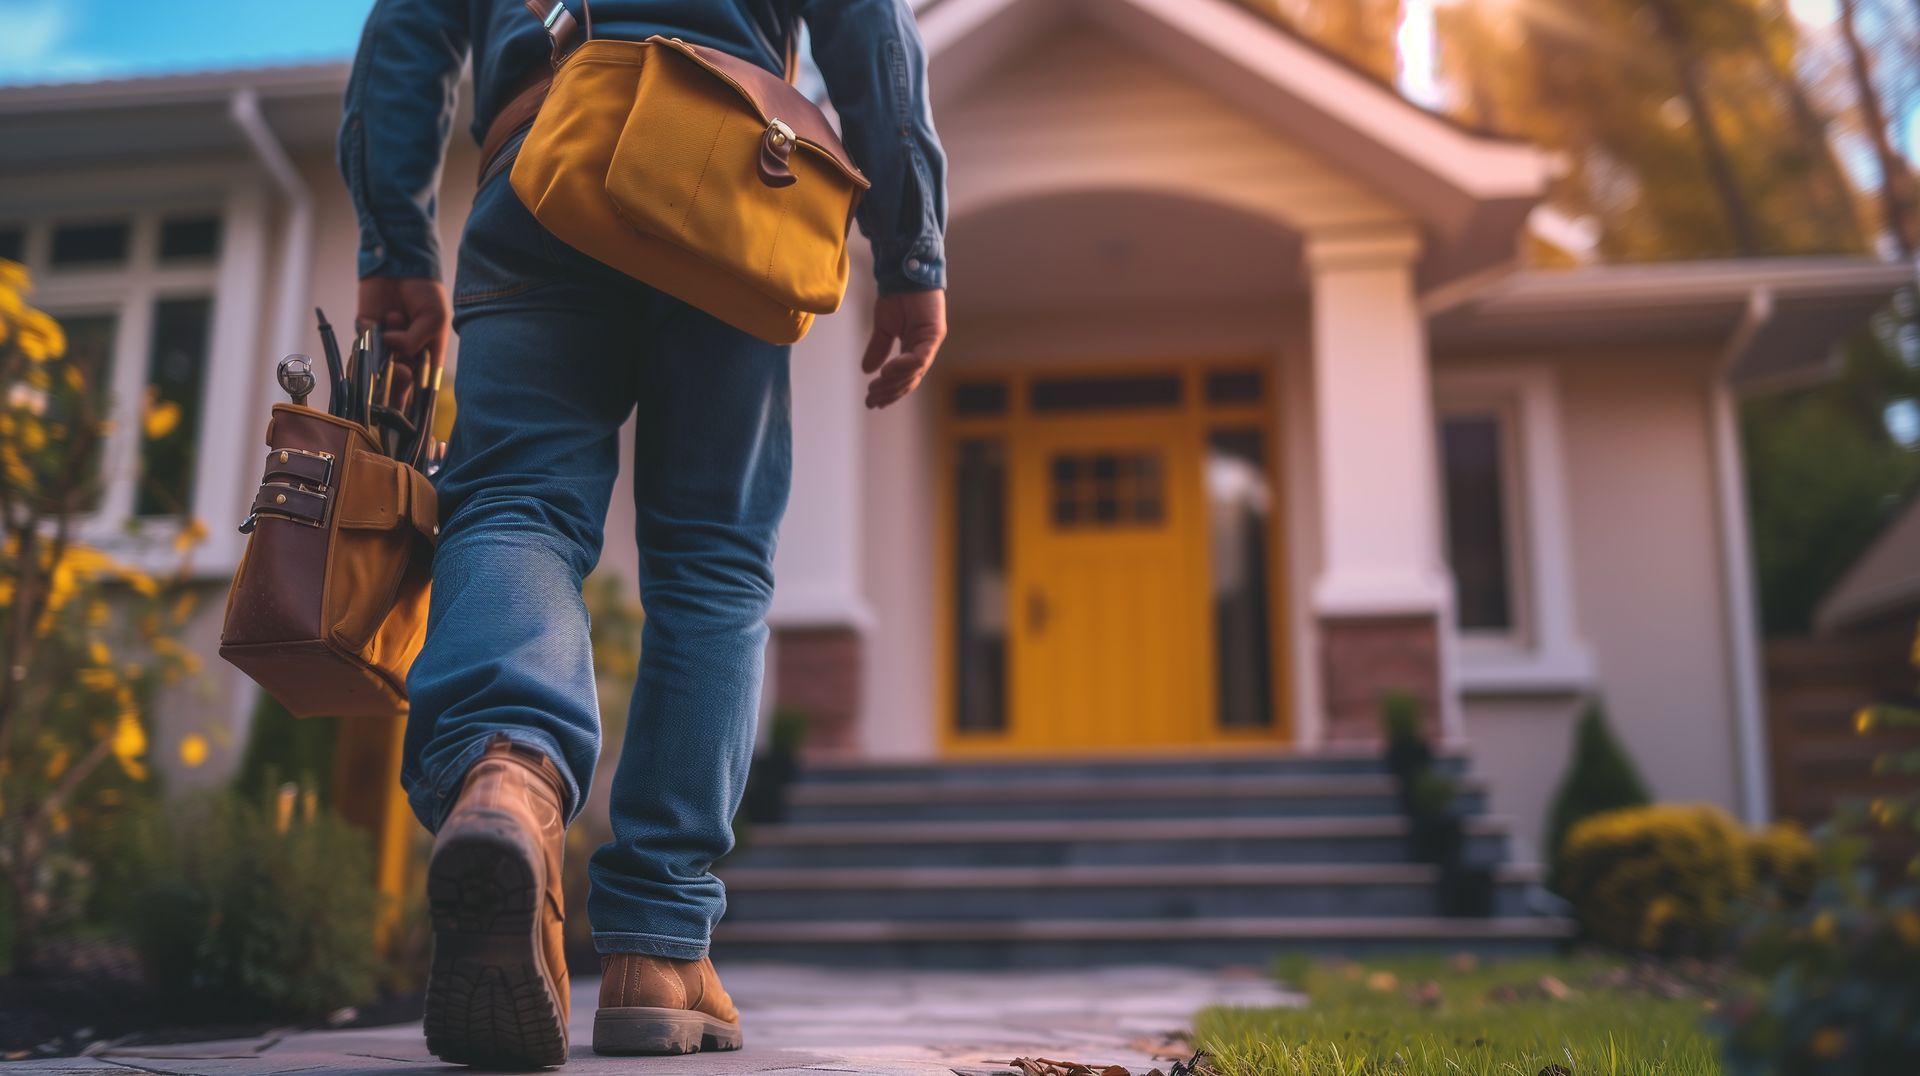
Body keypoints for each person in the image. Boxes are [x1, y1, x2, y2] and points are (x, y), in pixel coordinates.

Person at [337, 0, 947, 1066]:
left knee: (516, 496)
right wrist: (912, 249)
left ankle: (505, 768)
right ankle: (659, 948)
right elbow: (871, 31)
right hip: (730, 171)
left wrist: (395, 239)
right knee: (713, 564)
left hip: (544, 158)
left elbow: (407, 28)